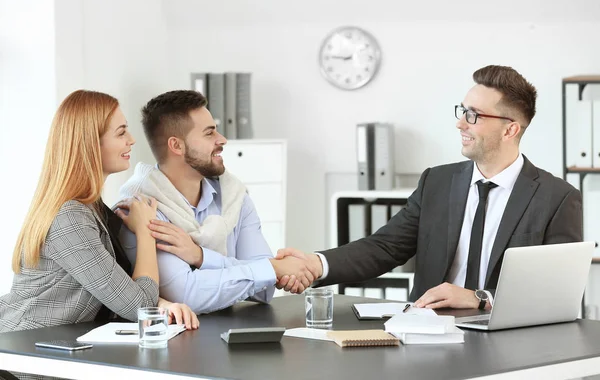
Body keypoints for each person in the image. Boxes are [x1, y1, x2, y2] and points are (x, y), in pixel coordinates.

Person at [276, 65, 583, 311]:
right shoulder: (436, 182)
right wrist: (315, 264)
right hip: (428, 335)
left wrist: (481, 298)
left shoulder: (557, 198)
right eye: (462, 111)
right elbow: (384, 247)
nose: (460, 123)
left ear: (511, 129)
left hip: (508, 344)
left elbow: (557, 293)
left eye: (473, 115)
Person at [0, 90, 199, 339]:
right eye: (121, 132)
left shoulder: (91, 208)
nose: (132, 140)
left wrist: (163, 304)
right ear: (91, 143)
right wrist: (147, 230)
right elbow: (138, 306)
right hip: (27, 360)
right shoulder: (70, 217)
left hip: (53, 349)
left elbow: (115, 285)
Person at [118, 90, 312, 314]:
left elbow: (265, 289)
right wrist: (271, 268)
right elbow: (187, 295)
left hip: (236, 336)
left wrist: (201, 257)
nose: (222, 140)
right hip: (178, 344)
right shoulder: (142, 210)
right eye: (209, 133)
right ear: (177, 146)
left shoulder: (234, 197)